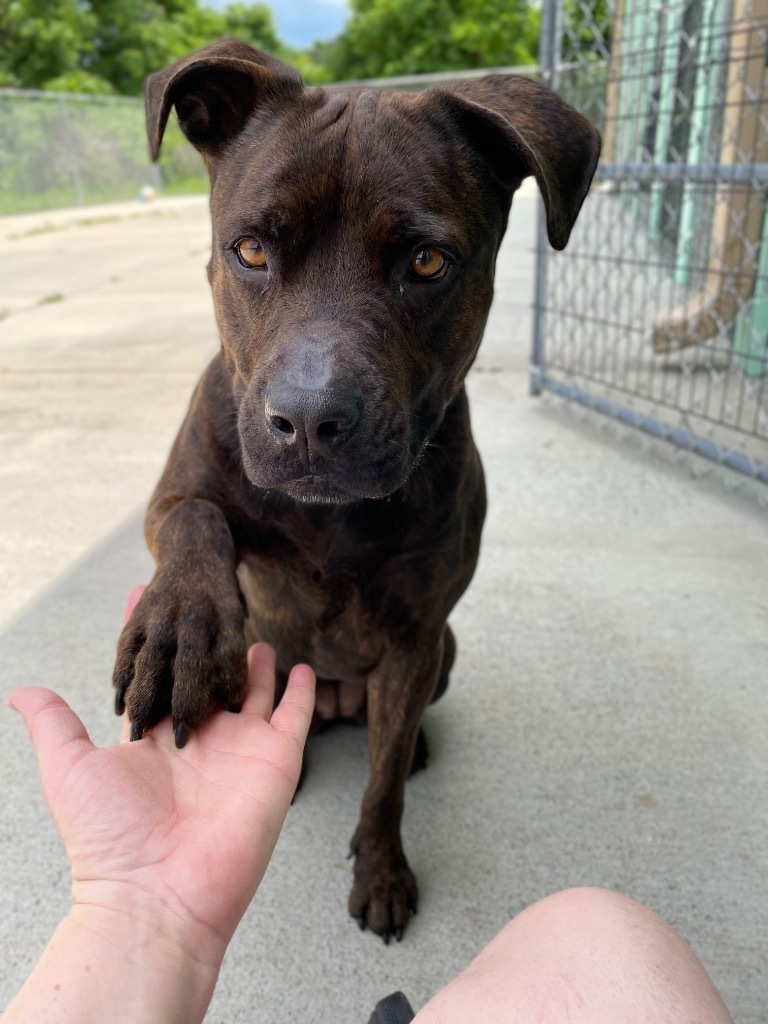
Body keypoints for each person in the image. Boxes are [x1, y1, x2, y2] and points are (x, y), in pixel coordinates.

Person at [4, 591, 735, 1023]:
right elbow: (181, 501)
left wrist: (139, 909)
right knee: (605, 938)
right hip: (288, 659)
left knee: (602, 934)